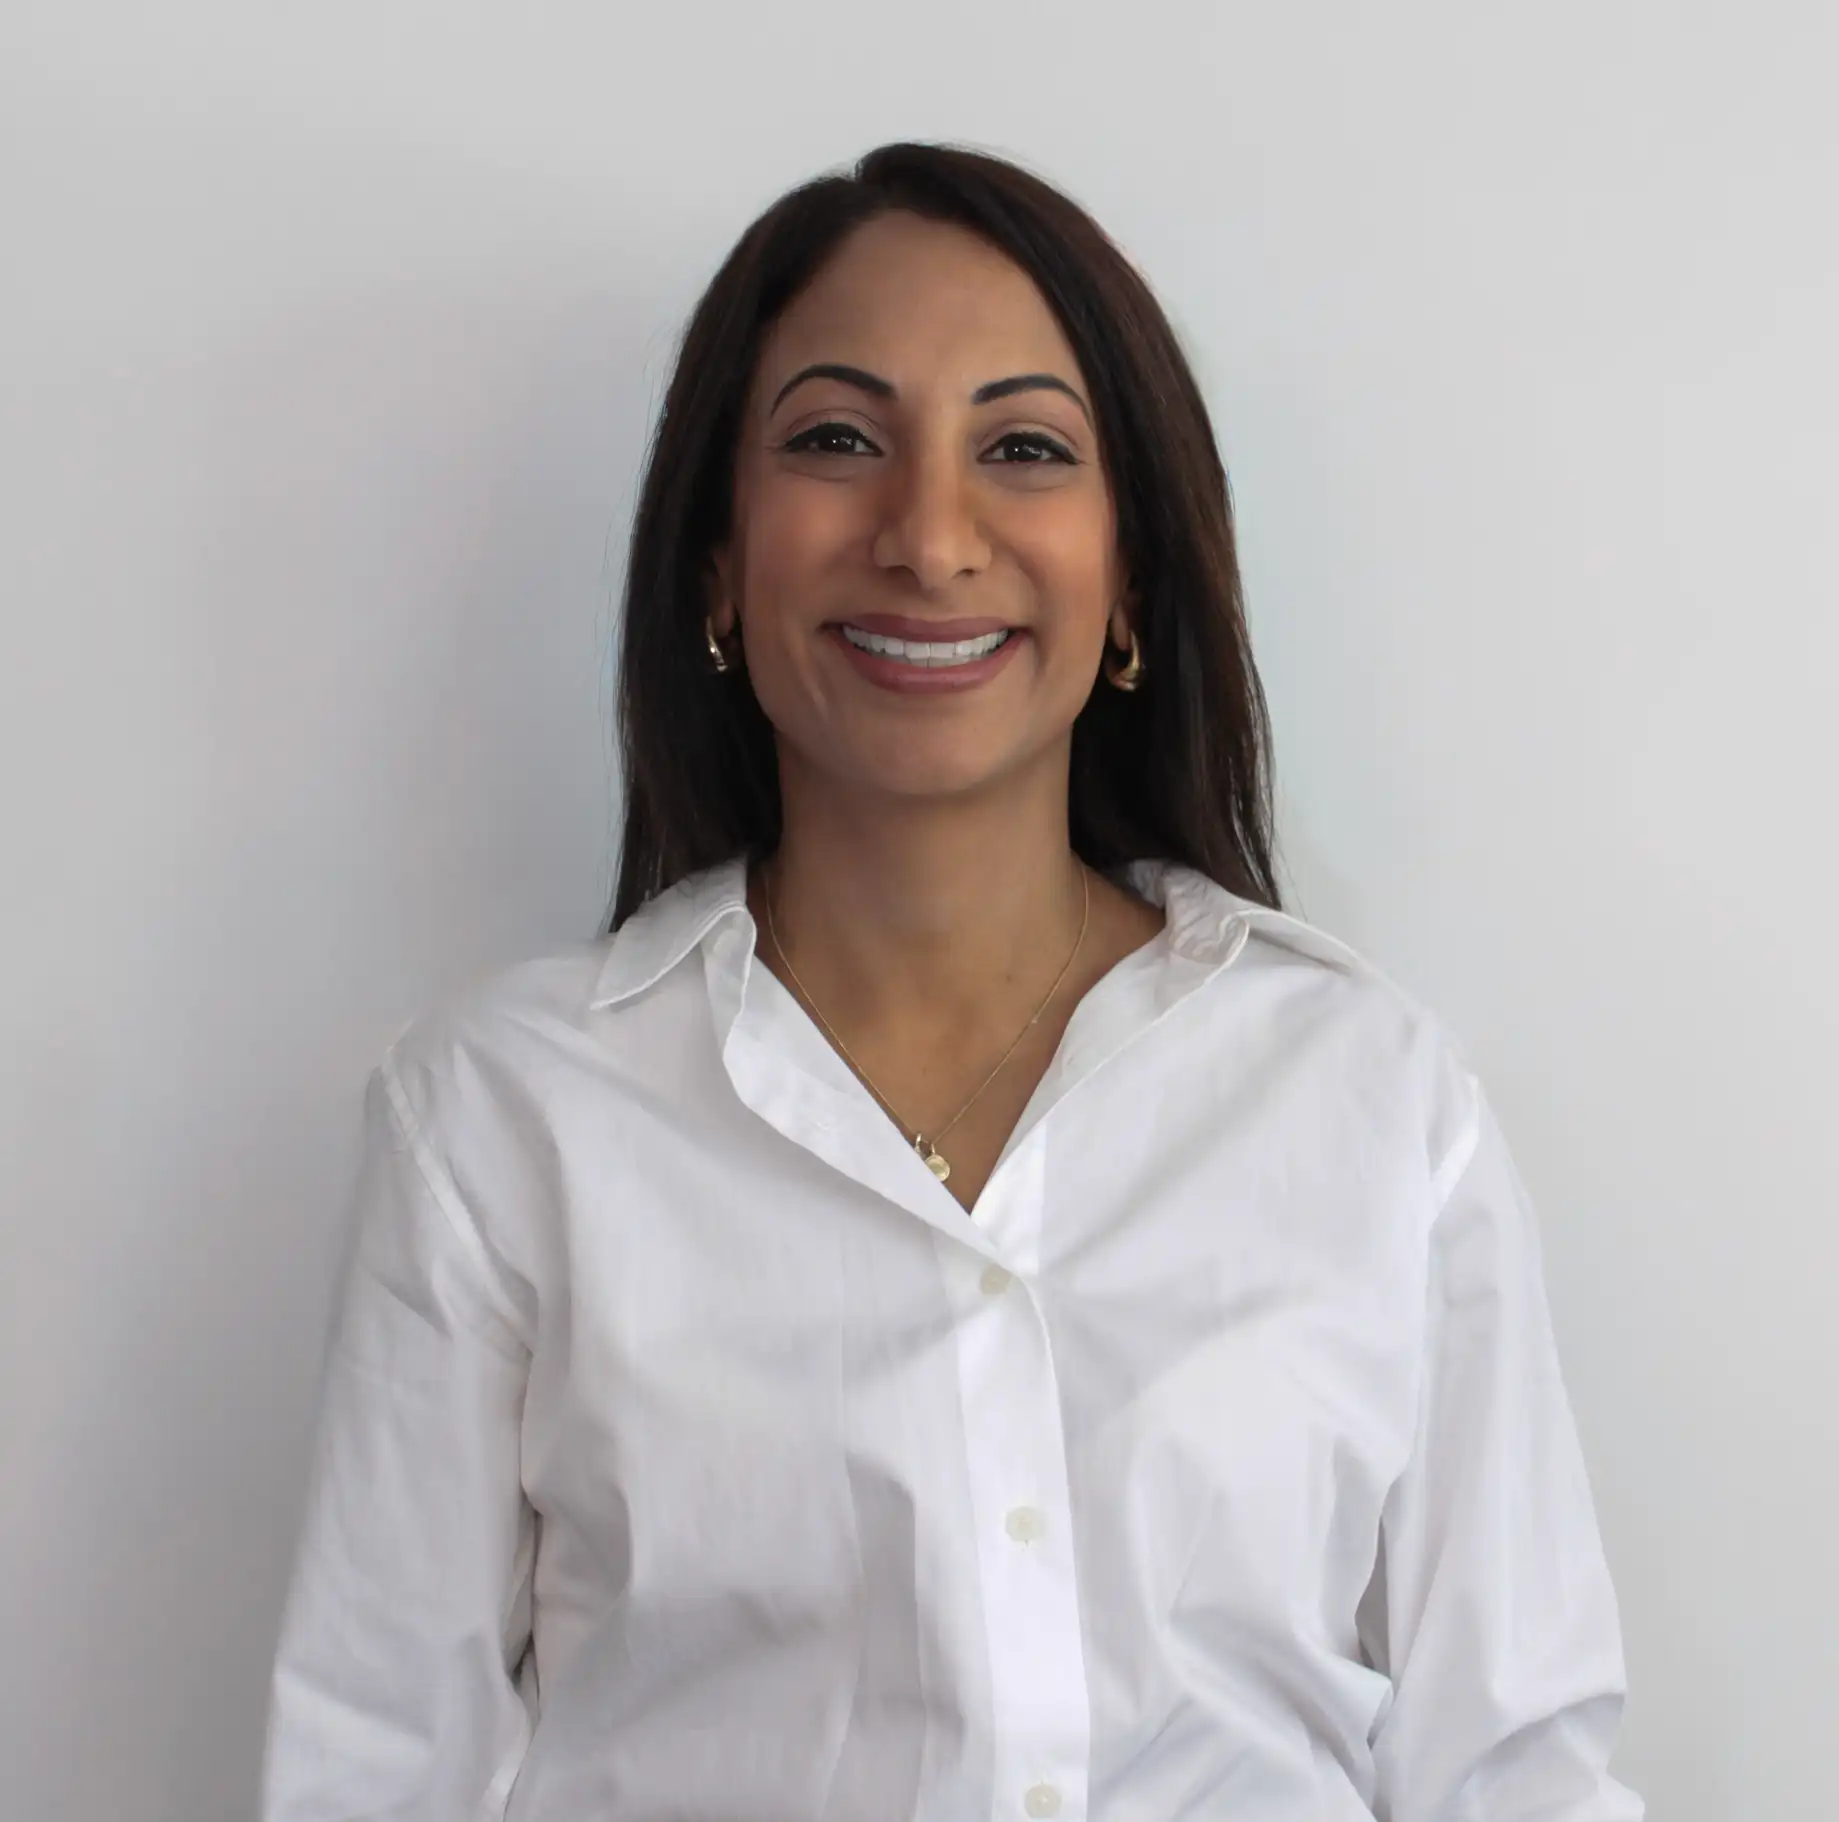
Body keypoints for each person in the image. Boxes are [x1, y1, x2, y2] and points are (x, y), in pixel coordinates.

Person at [261, 141, 1643, 1820]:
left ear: (1130, 579)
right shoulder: (498, 1118)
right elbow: (373, 1771)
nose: (926, 537)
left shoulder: (1370, 1101)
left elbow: (1513, 1773)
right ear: (717, 561)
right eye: (837, 441)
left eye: (1024, 448)